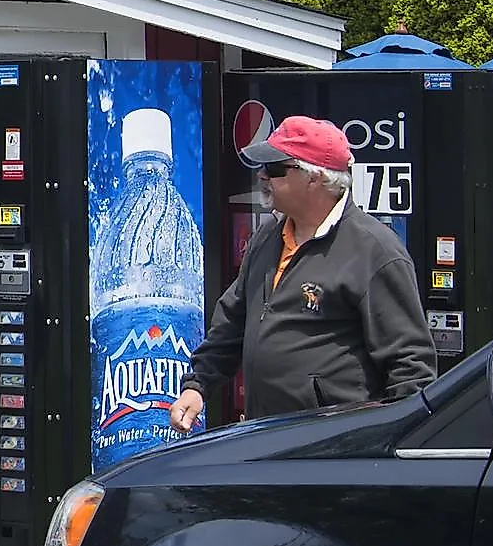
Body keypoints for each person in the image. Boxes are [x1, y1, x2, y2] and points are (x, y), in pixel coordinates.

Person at [172, 115, 438, 431]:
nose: (262, 176)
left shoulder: (374, 250)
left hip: (333, 450)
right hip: (265, 437)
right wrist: (198, 384)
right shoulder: (268, 235)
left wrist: (389, 446)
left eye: (274, 169)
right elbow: (233, 321)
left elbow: (411, 367)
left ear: (314, 178)